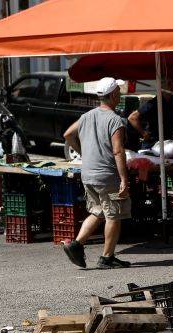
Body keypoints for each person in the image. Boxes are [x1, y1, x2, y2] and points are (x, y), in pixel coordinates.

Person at [62, 77, 132, 269]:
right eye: (118, 91)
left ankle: (76, 244)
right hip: (107, 175)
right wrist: (124, 179)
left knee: (98, 211)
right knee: (113, 215)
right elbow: (118, 151)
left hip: (89, 174)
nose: (120, 93)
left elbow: (68, 134)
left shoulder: (86, 116)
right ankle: (106, 257)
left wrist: (84, 152)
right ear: (111, 95)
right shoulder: (115, 120)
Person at [127, 82, 173, 149]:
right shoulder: (154, 103)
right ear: (162, 89)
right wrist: (144, 133)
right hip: (152, 144)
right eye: (170, 84)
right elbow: (132, 117)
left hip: (166, 143)